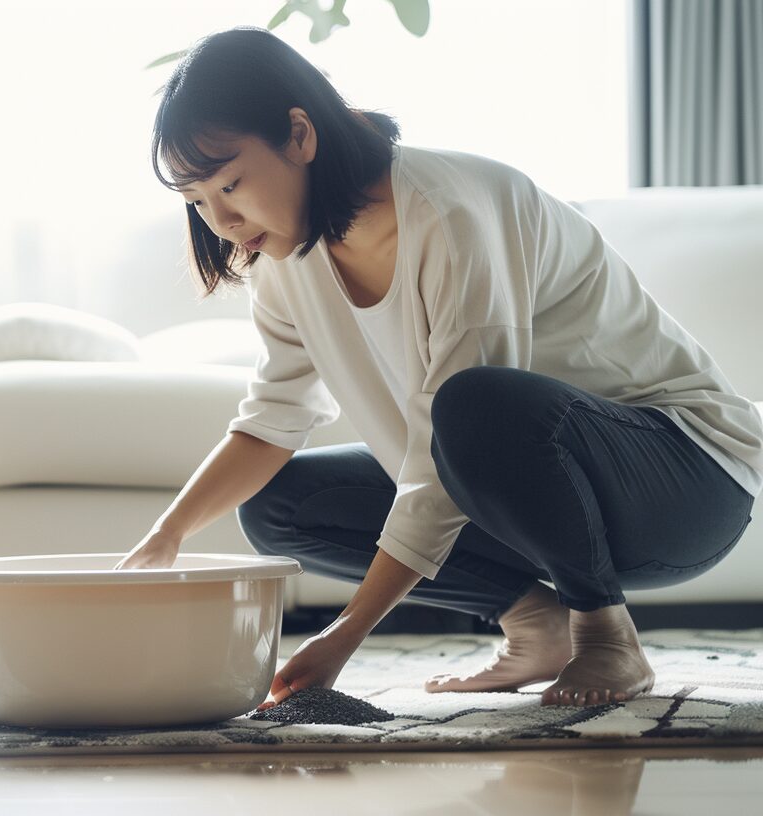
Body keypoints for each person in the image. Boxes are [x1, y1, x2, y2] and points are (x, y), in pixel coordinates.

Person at [116, 27, 762, 708]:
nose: (220, 221)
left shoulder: (451, 213)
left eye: (231, 184)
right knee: (281, 506)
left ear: (299, 136)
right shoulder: (283, 260)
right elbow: (273, 421)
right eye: (196, 200)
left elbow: (451, 443)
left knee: (472, 405)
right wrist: (167, 537)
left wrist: (345, 632)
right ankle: (536, 624)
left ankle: (606, 635)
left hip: (685, 483)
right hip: (540, 493)